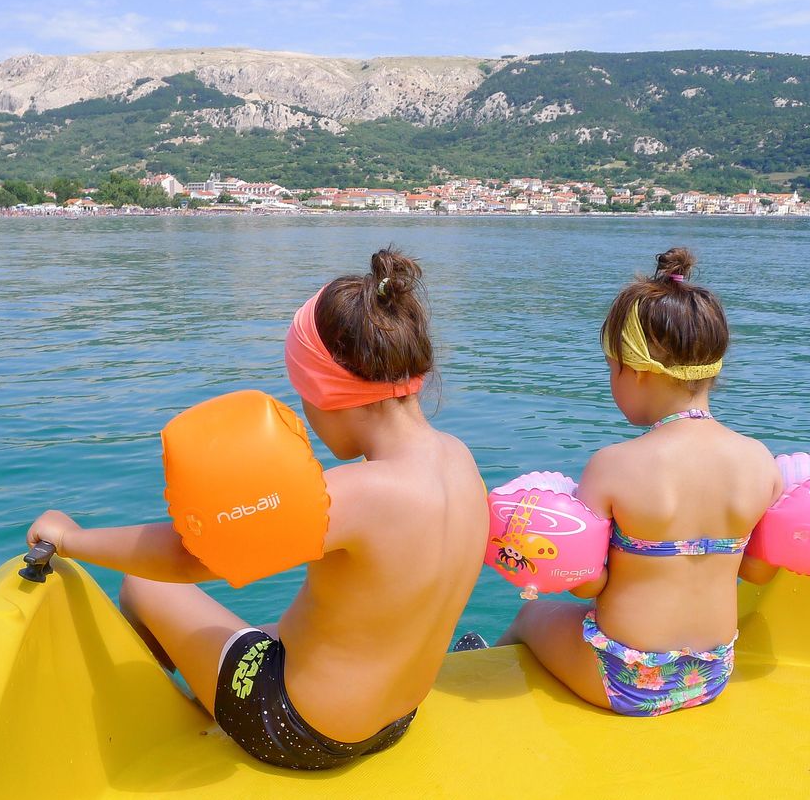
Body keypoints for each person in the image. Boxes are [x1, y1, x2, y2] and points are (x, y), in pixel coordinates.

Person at [27, 247, 488, 767]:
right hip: (397, 718)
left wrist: (70, 537)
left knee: (143, 585)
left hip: (301, 730)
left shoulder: (356, 493)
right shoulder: (459, 460)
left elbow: (190, 558)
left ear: (324, 389)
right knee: (274, 626)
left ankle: (144, 733)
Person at [497, 247, 782, 717]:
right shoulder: (759, 461)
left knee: (532, 616)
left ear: (637, 370)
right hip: (710, 674)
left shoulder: (614, 465)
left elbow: (587, 585)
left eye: (612, 369)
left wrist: (546, 558)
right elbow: (757, 571)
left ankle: (475, 659)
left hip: (625, 684)